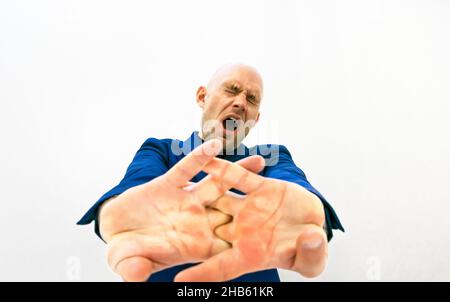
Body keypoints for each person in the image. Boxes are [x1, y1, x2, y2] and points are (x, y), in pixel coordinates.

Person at [77, 63, 344, 282]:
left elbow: (295, 192)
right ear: (202, 97)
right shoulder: (159, 151)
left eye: (251, 98)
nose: (240, 103)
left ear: (256, 117)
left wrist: (308, 218)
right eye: (232, 90)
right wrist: (118, 217)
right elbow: (132, 192)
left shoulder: (271, 158)